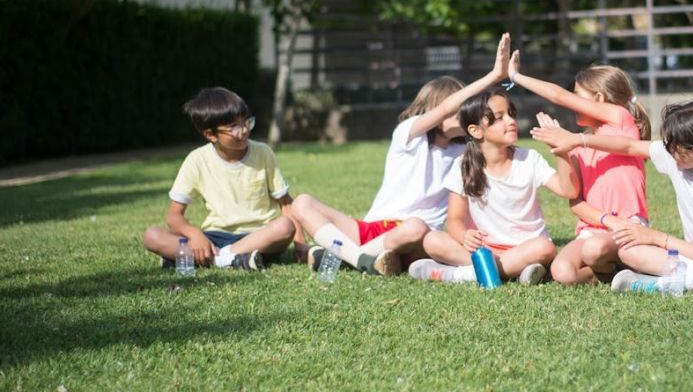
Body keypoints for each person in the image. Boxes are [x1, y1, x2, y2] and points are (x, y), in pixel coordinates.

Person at [290, 34, 511, 276]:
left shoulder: (464, 153)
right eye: (461, 106)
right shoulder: (409, 134)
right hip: (372, 229)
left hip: (417, 238)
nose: (466, 113)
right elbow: (446, 108)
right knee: (302, 203)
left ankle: (347, 257)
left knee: (415, 227)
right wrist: (493, 76)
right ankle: (363, 259)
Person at [533, 100, 693, 294]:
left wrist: (657, 238)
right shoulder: (679, 160)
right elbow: (629, 147)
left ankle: (661, 284)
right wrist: (578, 140)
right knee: (627, 250)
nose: (667, 151)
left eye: (673, 147)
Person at [407, 88, 580, 284]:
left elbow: (569, 190)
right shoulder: (463, 166)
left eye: (511, 114)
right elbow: (454, 219)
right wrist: (464, 236)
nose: (510, 120)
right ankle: (511, 270)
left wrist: (560, 151)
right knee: (433, 240)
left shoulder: (529, 159)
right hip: (484, 249)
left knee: (545, 248)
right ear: (476, 131)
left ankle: (463, 274)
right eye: (499, 118)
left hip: (525, 247)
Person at [506, 52, 651, 285]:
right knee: (562, 272)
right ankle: (614, 272)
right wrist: (561, 149)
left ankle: (629, 261)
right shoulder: (577, 144)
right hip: (595, 228)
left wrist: (515, 76)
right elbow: (575, 199)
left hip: (628, 225)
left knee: (594, 250)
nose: (572, 101)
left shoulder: (620, 118)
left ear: (599, 98)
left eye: (578, 96)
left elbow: (557, 95)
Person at [143, 87, 298, 270]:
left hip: (260, 237)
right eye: (233, 127)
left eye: (246, 121)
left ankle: (207, 259)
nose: (244, 130)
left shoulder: (263, 153)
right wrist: (195, 235)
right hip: (214, 236)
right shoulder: (197, 160)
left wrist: (300, 245)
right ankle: (233, 259)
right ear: (210, 135)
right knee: (152, 235)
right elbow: (174, 216)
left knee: (285, 226)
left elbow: (286, 204)